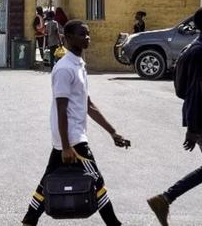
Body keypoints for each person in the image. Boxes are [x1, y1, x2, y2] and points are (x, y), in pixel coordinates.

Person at [21, 20, 130, 226]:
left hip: (71, 137)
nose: (87, 38)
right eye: (82, 35)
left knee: (48, 180)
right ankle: (114, 224)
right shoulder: (64, 69)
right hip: (72, 139)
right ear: (67, 39)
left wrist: (113, 132)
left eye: (87, 34)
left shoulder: (79, 65)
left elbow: (88, 104)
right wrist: (66, 145)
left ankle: (29, 219)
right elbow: (61, 109)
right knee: (97, 182)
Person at [147, 6, 202, 226]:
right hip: (201, 117)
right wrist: (193, 128)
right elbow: (195, 91)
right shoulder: (199, 51)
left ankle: (164, 199)